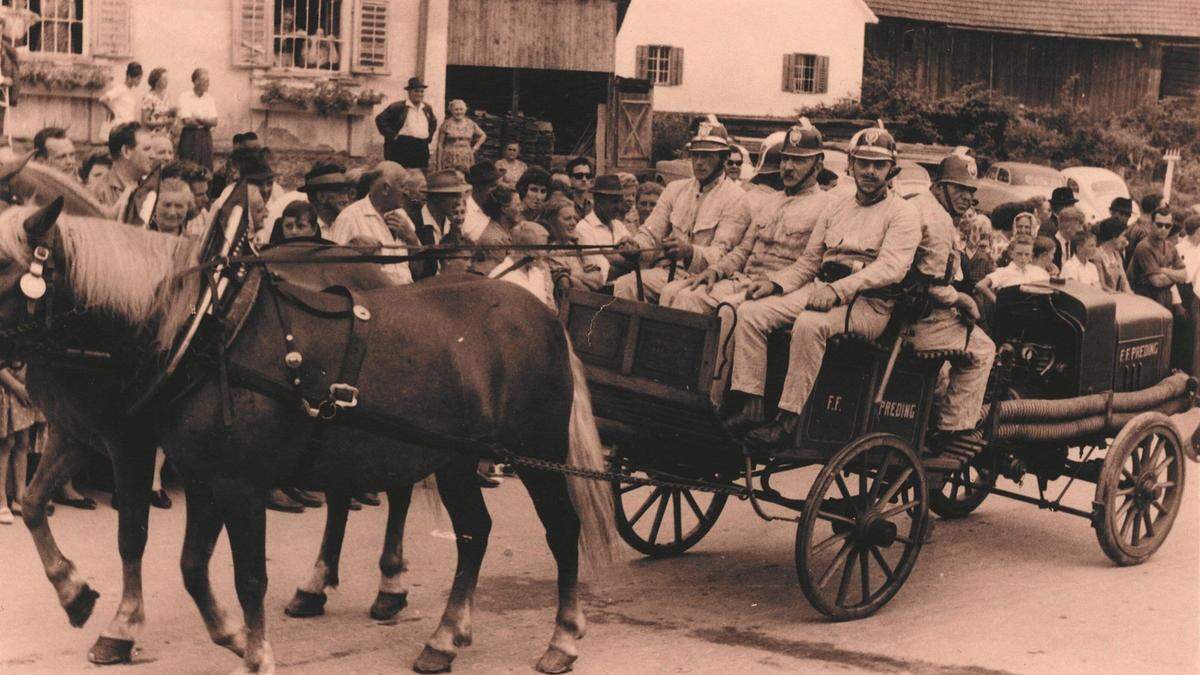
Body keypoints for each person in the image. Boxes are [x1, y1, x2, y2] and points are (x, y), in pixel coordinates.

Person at [741, 125, 922, 449]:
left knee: (810, 325)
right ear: (850, 165)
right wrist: (774, 283)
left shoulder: (903, 213)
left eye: (878, 165)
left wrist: (839, 291)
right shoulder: (836, 206)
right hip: (820, 288)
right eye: (863, 163)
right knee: (750, 313)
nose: (869, 171)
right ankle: (750, 406)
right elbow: (810, 261)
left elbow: (890, 268)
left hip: (869, 305)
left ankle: (787, 419)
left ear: (891, 169)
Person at [663, 122, 831, 414]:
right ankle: (678, 385)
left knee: (729, 310)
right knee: (684, 293)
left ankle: (712, 402)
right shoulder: (769, 202)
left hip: (782, 289)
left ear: (817, 165)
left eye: (799, 160)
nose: (788, 167)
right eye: (786, 159)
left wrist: (773, 284)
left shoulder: (826, 207)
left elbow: (812, 264)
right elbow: (743, 250)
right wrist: (716, 270)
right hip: (745, 279)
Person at [898, 152, 996, 453]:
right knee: (982, 349)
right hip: (915, 320)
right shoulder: (938, 221)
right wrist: (965, 301)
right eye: (959, 189)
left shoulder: (913, 204)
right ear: (939, 186)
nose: (967, 198)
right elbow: (933, 287)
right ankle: (953, 429)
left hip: (898, 311)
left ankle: (933, 412)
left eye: (970, 191)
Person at [615, 122, 751, 302]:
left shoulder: (737, 197)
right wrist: (636, 246)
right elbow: (651, 232)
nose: (700, 162)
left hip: (705, 280)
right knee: (625, 284)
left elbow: (722, 254)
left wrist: (689, 251)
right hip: (667, 272)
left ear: (723, 158)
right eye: (695, 155)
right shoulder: (674, 189)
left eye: (707, 156)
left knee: (675, 294)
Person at [328, 161, 415, 285]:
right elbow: (334, 270)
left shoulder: (402, 216)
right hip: (372, 299)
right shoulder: (349, 217)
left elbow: (419, 269)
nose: (407, 192)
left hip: (406, 296)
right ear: (385, 188)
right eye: (402, 186)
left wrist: (412, 238)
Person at [1127, 206, 1189, 320]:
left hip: (1166, 300)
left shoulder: (1170, 246)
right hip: (1146, 301)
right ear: (1152, 224)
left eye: (1167, 226)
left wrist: (1165, 271)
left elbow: (1184, 275)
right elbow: (1157, 281)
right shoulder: (1144, 247)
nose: (1163, 229)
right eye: (1159, 225)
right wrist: (1175, 275)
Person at [91, 121, 156, 220]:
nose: (153, 155)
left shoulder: (152, 187)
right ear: (126, 151)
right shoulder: (99, 192)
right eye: (146, 149)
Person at [575, 174, 633, 283]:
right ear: (598, 200)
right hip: (603, 295)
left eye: (620, 201)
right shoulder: (584, 228)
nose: (619, 207)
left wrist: (612, 258)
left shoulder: (619, 225)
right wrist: (627, 262)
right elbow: (603, 274)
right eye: (614, 201)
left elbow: (637, 259)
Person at [540, 195, 605, 293]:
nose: (573, 223)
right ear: (553, 222)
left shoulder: (577, 244)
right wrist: (586, 278)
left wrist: (575, 275)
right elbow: (567, 286)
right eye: (567, 219)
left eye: (575, 218)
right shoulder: (551, 250)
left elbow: (599, 279)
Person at [488, 221, 556, 311]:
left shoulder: (538, 273)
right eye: (543, 248)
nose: (545, 253)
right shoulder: (500, 276)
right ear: (528, 250)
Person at [375, 77, 438, 169]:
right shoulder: (398, 107)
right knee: (401, 175)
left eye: (422, 91)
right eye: (416, 91)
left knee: (420, 175)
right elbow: (380, 119)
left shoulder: (427, 108)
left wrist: (429, 137)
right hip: (403, 145)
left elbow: (433, 122)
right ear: (409, 92)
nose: (419, 94)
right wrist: (392, 135)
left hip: (422, 146)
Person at [0, 365, 34, 524]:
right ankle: (1, 498)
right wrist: (15, 385)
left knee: (23, 441)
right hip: (5, 384)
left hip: (21, 381)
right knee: (6, 443)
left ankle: (20, 495)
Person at [975, 236, 1049, 304]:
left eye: (1027, 254)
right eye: (1019, 254)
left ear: (1031, 256)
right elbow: (980, 285)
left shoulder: (1036, 271)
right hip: (1012, 313)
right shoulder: (1003, 272)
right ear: (1011, 254)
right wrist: (997, 302)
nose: (1023, 258)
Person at [470, 185, 523, 275]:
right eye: (517, 205)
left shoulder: (506, 232)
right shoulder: (494, 240)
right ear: (504, 209)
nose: (521, 209)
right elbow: (496, 276)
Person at [294, 160, 355, 234]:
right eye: (340, 191)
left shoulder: (348, 225)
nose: (346, 198)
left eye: (347, 191)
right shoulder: (300, 230)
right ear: (321, 197)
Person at [176, 68, 218, 170]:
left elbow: (215, 121)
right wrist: (206, 121)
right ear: (196, 81)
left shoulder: (209, 98)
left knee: (205, 169)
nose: (208, 84)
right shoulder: (184, 96)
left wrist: (199, 119)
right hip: (189, 136)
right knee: (188, 169)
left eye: (208, 81)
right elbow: (187, 121)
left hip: (205, 137)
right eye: (205, 81)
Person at [436, 99, 485, 173]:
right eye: (456, 109)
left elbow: (483, 135)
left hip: (466, 157)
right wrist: (439, 165)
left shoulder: (470, 123)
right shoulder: (446, 124)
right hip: (449, 157)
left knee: (465, 179)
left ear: (465, 110)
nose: (459, 112)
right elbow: (440, 144)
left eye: (461, 109)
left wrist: (474, 148)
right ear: (451, 111)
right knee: (450, 179)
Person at [99, 61, 142, 140]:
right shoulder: (120, 88)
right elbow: (102, 99)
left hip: (128, 128)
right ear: (129, 77)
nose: (139, 81)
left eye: (140, 78)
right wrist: (112, 112)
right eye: (137, 78)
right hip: (120, 127)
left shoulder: (129, 91)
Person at [462, 160, 499, 242]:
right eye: (492, 186)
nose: (497, 191)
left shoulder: (493, 205)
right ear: (479, 187)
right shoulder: (465, 211)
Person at [1094, 216, 1132, 293]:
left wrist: (1130, 294)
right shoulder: (1097, 256)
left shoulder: (1117, 255)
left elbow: (1124, 283)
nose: (1125, 239)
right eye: (1123, 235)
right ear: (1114, 236)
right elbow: (1102, 286)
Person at [140, 67, 176, 135]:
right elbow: (145, 122)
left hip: (166, 135)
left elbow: (164, 115)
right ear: (156, 81)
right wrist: (165, 122)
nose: (167, 81)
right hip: (152, 136)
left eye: (167, 79)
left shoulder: (167, 96)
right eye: (164, 79)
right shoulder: (149, 97)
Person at [1178, 213, 1200, 285]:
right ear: (1197, 232)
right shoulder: (1180, 249)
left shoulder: (1196, 246)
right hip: (1186, 287)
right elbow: (1186, 277)